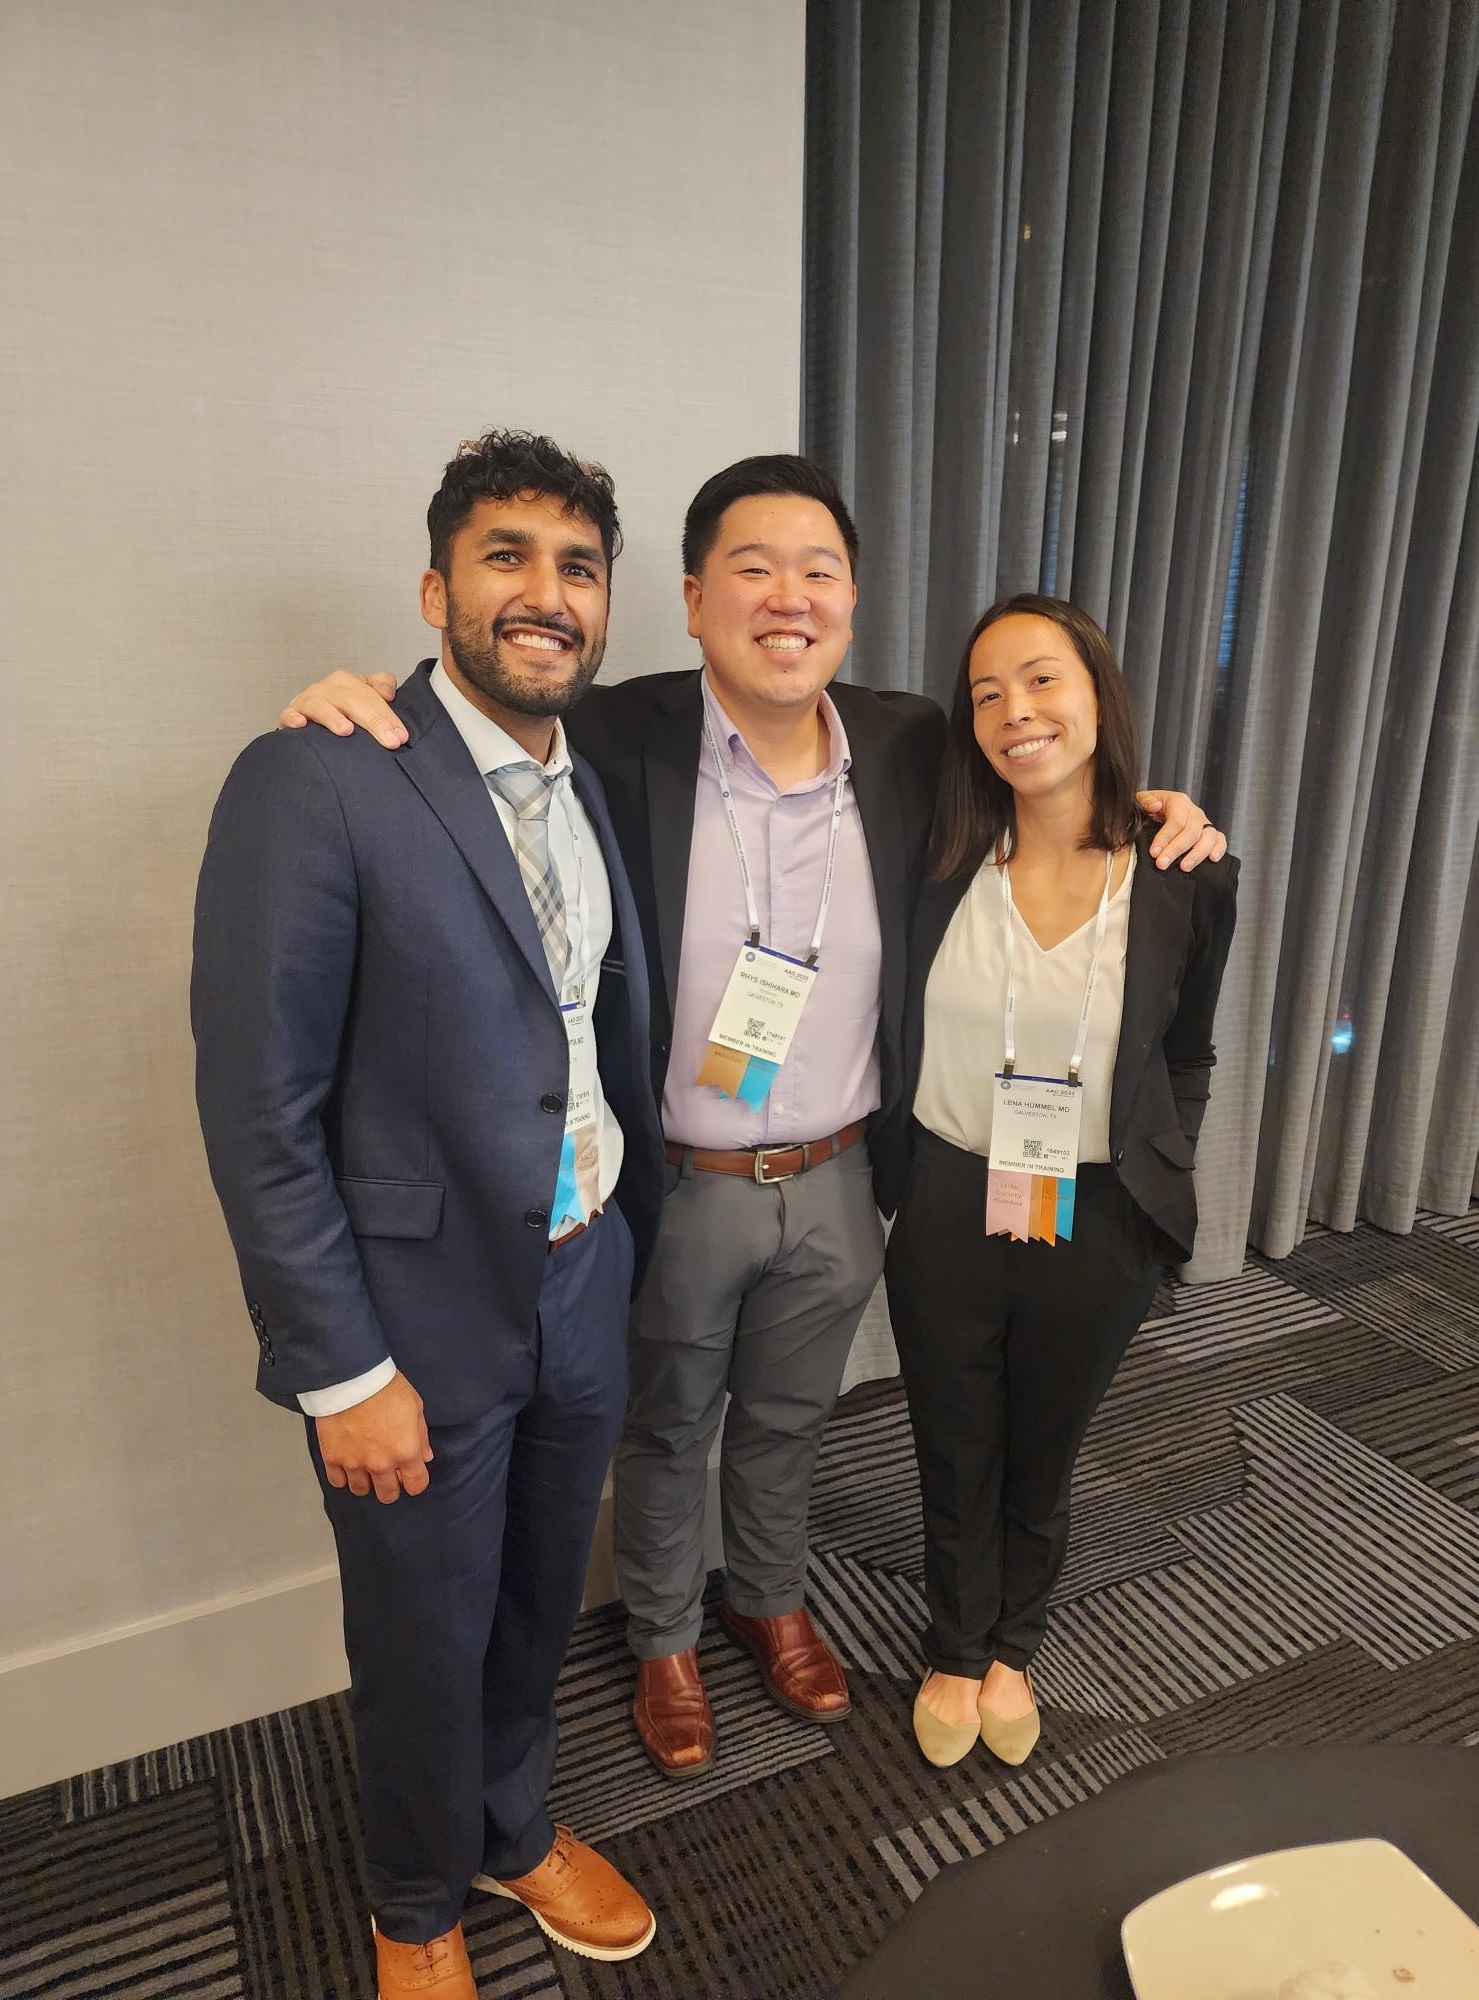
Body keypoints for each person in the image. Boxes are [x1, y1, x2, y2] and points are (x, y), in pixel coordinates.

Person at [279, 458, 1224, 1783]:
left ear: (851, 602)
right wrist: (361, 702)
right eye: (754, 568)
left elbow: (1051, 769)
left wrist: (1163, 809)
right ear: (692, 599)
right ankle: (664, 1635)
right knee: (668, 1422)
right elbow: (478, 717)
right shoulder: (619, 735)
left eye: (818, 571)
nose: (790, 597)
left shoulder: (911, 744)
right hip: (680, 1176)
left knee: (791, 1414)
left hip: (840, 1174)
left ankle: (770, 1598)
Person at [192, 432, 662, 1999]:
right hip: (414, 1315)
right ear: (434, 588)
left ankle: (510, 1828)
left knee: (539, 1598)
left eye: (578, 567)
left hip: (583, 1268)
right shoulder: (318, 776)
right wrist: (342, 1370)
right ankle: (413, 1904)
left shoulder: (590, 776)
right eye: (505, 556)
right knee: (418, 1632)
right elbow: (258, 1109)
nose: (546, 593)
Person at [874, 594, 1238, 1770]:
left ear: (1097, 694)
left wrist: (1162, 1176)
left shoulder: (1185, 873)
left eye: (1041, 680)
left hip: (1099, 1209)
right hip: (947, 1196)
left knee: (1045, 1444)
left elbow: (1191, 1051)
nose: (1015, 711)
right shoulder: (935, 853)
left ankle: (1015, 1643)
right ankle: (954, 1641)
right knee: (952, 1438)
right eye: (986, 693)